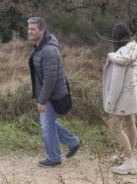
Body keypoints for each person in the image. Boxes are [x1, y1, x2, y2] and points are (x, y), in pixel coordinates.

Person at [27, 16, 81, 167]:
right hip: (44, 92)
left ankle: (54, 157)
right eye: (29, 29)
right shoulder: (40, 46)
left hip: (50, 95)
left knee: (47, 125)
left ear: (42, 30)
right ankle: (73, 141)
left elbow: (50, 79)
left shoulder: (49, 50)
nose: (30, 32)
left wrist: (42, 100)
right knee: (49, 123)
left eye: (33, 29)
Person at [103, 22, 137, 175]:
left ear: (115, 38)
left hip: (121, 97)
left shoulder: (118, 56)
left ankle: (130, 161)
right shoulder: (133, 50)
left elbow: (116, 82)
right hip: (131, 93)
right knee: (131, 123)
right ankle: (128, 157)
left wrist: (110, 102)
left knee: (115, 126)